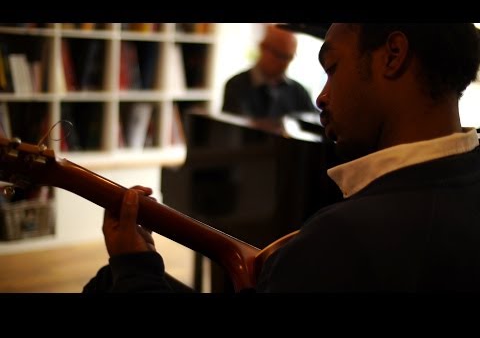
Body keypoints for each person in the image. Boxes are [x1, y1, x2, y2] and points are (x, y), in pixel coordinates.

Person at [84, 23, 480, 293]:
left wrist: (136, 265)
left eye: (332, 67)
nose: (322, 97)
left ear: (393, 55)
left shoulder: (342, 239)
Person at [221, 24, 317, 118]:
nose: (284, 63)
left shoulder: (298, 92)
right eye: (279, 55)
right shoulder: (236, 85)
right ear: (262, 47)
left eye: (289, 57)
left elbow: (314, 122)